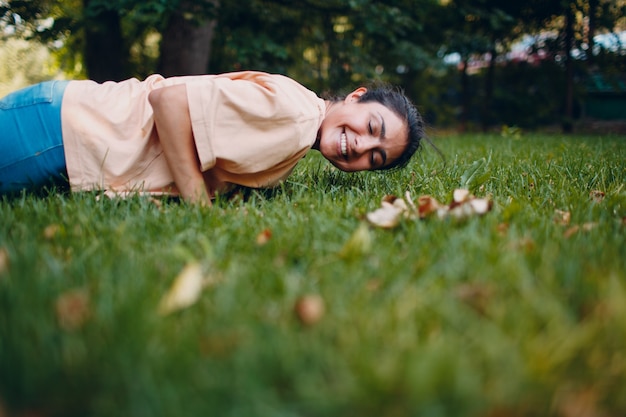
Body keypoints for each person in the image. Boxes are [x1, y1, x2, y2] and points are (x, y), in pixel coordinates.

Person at [0, 71, 425, 204]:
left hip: (67, 133)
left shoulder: (299, 124)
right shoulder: (296, 117)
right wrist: (197, 205)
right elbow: (168, 102)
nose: (362, 147)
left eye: (376, 157)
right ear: (356, 97)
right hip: (60, 130)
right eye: (373, 128)